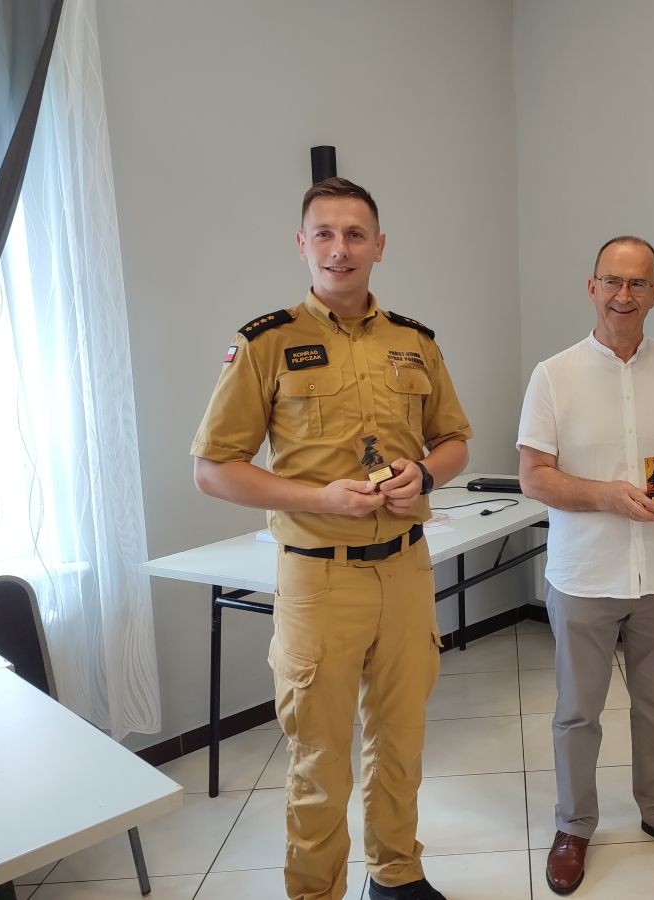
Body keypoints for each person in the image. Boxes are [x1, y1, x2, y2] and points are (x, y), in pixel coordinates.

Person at [192, 177, 471, 900]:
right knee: (320, 758)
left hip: (405, 570)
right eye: (324, 233)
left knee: (400, 739)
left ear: (379, 246)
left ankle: (396, 875)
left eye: (355, 235)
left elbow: (454, 443)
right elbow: (213, 470)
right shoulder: (267, 342)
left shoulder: (414, 342)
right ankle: (316, 892)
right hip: (319, 577)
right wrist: (317, 497)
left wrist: (425, 474)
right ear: (302, 244)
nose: (339, 249)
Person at [517, 235, 654, 895]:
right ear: (592, 287)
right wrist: (605, 496)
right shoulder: (553, 375)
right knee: (578, 711)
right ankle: (574, 826)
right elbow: (534, 477)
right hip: (584, 576)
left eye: (638, 283)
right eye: (612, 281)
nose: (624, 295)